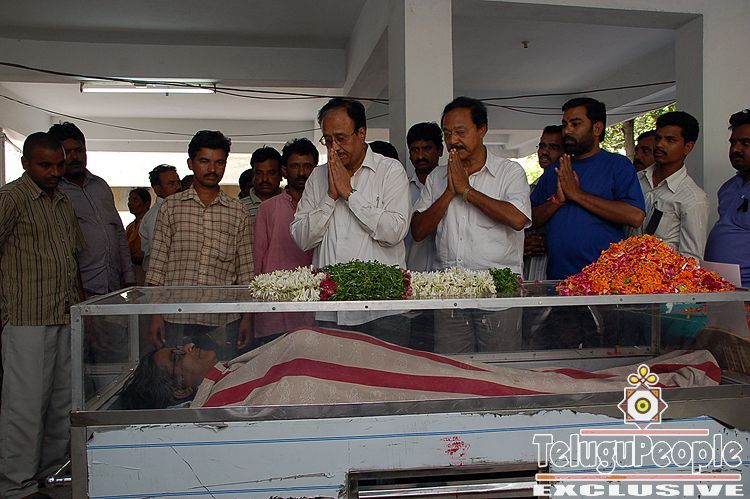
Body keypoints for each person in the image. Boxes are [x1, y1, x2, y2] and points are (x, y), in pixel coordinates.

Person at [119, 327, 717, 410]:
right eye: (176, 355)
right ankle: (662, 380)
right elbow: (298, 381)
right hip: (374, 381)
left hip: (389, 361)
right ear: (179, 384)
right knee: (513, 387)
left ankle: (664, 376)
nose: (187, 345)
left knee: (517, 379)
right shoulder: (223, 398)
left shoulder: (230, 369)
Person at [0, 133, 85, 499]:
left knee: (61, 403)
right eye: (45, 165)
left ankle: (51, 474)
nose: (54, 172)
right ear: (26, 163)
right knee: (25, 405)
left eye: (59, 165)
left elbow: (72, 260)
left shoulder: (62, 200)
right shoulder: (11, 198)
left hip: (64, 314)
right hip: (27, 317)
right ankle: (15, 485)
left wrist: (80, 309)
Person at [411, 97, 530, 353]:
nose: (453, 140)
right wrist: (448, 192)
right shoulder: (437, 177)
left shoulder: (509, 172)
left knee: (500, 369)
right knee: (454, 369)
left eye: (460, 132)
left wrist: (466, 191)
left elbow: (518, 219)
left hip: (499, 297)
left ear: (482, 129)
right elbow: (418, 231)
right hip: (449, 296)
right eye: (447, 134)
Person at [291, 98, 410, 342]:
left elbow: (394, 231)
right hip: (331, 307)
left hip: (383, 307)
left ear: (361, 133)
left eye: (341, 138)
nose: (334, 148)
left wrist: (349, 194)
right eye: (328, 140)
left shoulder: (390, 171)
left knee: (385, 368)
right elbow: (301, 238)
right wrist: (330, 198)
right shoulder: (318, 177)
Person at [146, 130, 254, 359]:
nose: (212, 169)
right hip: (176, 316)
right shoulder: (171, 208)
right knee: (176, 375)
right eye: (204, 161)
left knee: (220, 376)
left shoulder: (238, 212)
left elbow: (246, 273)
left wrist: (248, 318)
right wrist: (155, 315)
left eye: (219, 162)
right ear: (191, 163)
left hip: (222, 319)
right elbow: (157, 268)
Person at [530, 97, 645, 280]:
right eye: (565, 124)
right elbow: (530, 219)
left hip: (604, 282)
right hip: (558, 281)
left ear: (597, 128)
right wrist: (556, 201)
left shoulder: (618, 166)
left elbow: (635, 216)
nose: (567, 130)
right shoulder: (555, 169)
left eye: (575, 124)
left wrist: (577, 194)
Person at [48, 122, 135, 296]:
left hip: (113, 286)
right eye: (67, 152)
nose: (74, 157)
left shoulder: (100, 186)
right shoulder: (54, 192)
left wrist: (129, 277)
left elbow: (118, 231)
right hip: (78, 291)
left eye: (79, 150)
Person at [253, 138, 317, 345]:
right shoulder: (267, 209)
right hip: (274, 305)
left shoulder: (325, 208)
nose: (301, 173)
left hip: (314, 305)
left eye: (307, 166)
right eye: (295, 166)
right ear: (284, 170)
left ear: (316, 170)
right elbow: (257, 260)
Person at [633, 112, 707, 261]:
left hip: (659, 274)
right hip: (620, 269)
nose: (660, 145)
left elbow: (691, 259)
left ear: (688, 147)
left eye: (670, 140)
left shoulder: (693, 198)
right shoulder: (636, 180)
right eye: (658, 138)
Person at [705, 109, 750, 286]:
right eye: (733, 143)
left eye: (745, 143)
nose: (736, 149)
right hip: (721, 290)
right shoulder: (728, 188)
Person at [524, 125, 563, 281]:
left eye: (553, 147)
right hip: (532, 264)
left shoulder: (572, 187)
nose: (545, 152)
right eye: (542, 146)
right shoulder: (530, 188)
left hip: (557, 263)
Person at [405, 122, 442, 272]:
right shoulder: (402, 191)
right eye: (415, 150)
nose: (420, 156)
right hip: (411, 274)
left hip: (447, 276)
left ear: (440, 150)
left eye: (427, 148)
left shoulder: (452, 188)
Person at [139, 164, 182, 272]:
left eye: (178, 182)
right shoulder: (157, 215)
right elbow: (159, 253)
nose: (178, 187)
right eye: (171, 183)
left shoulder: (177, 209)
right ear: (157, 189)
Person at [239, 146, 283, 219]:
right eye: (259, 173)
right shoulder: (239, 208)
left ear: (281, 175)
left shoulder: (293, 204)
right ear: (253, 175)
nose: (265, 179)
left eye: (271, 173)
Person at [125, 187, 151, 285]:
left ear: (146, 204)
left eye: (135, 200)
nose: (130, 203)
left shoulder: (149, 222)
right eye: (129, 200)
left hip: (144, 269)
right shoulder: (130, 226)